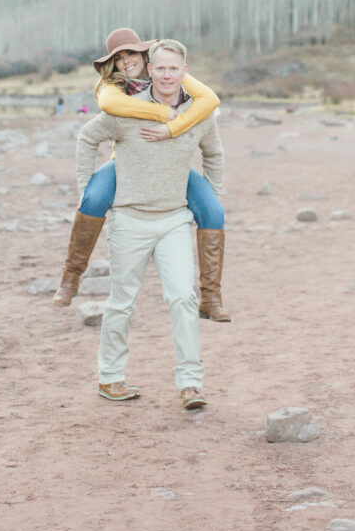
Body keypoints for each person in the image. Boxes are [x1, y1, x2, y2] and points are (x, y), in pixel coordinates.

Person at [76, 39, 224, 408]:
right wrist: (85, 189)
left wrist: (211, 194)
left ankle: (191, 384)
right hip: (129, 220)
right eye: (160, 68)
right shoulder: (127, 109)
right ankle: (110, 378)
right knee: (122, 302)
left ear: (184, 72)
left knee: (183, 299)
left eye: (174, 68)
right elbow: (87, 138)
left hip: (174, 220)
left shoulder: (197, 114)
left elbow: (214, 153)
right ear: (149, 71)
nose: (167, 75)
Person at [52, 27, 230, 321]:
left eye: (130, 53)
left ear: (143, 55)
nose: (125, 62)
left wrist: (174, 128)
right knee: (93, 198)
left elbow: (209, 99)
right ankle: (71, 278)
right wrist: (162, 114)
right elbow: (107, 108)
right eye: (118, 58)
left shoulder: (166, 72)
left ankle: (211, 297)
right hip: (128, 165)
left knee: (213, 210)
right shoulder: (112, 86)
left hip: (173, 167)